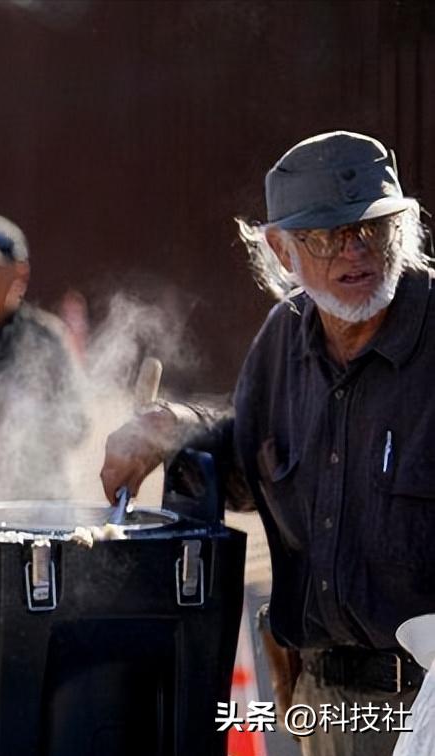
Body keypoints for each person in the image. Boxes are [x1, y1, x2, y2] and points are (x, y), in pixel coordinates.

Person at [99, 131, 434, 756]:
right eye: (325, 236)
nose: (355, 249)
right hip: (327, 707)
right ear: (281, 250)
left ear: (405, 228)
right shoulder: (285, 341)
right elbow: (249, 460)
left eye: (374, 228)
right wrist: (176, 426)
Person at [0, 212, 88, 498]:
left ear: (19, 273)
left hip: (32, 502)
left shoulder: (43, 338)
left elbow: (76, 424)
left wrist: (20, 426)